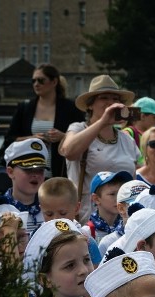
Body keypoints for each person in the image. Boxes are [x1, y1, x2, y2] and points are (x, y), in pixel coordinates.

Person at [60, 75, 140, 223]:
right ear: (90, 105)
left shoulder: (127, 140)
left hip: (123, 221)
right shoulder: (78, 128)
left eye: (115, 99)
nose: (110, 103)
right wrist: (103, 121)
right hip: (86, 220)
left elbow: (133, 181)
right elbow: (69, 152)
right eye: (104, 98)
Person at [2, 64, 84, 178]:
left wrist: (64, 137)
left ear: (54, 82)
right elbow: (9, 139)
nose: (36, 84)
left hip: (61, 173)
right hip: (30, 174)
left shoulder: (70, 108)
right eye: (33, 81)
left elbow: (84, 139)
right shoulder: (25, 108)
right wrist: (32, 138)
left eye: (41, 80)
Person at [2, 139, 49, 236]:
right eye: (29, 169)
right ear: (10, 172)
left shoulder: (51, 210)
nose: (35, 175)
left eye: (40, 170)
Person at [98, 180, 149, 257]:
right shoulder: (108, 243)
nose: (144, 211)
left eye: (148, 206)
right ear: (121, 208)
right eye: (138, 207)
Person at [85, 171, 132, 242]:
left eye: (121, 193)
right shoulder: (87, 232)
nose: (119, 198)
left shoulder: (128, 226)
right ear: (96, 199)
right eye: (112, 194)